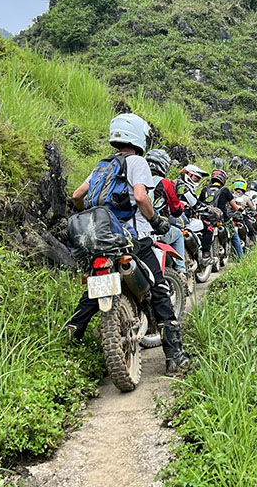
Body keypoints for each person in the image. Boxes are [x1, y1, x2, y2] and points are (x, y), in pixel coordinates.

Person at [64, 113, 190, 373]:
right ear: (139, 136)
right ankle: (175, 356)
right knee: (159, 291)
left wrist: (93, 214)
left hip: (101, 239)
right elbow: (141, 197)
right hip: (134, 238)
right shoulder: (137, 161)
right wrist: (156, 221)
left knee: (93, 292)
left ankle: (69, 338)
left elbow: (77, 195)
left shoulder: (102, 165)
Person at [146, 149, 187, 277]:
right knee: (179, 234)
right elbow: (175, 210)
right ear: (163, 165)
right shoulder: (164, 183)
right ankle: (181, 271)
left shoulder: (136, 179)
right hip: (157, 228)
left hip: (137, 228)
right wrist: (181, 207)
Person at [199, 169, 244, 260]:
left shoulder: (204, 190)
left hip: (206, 219)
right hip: (222, 219)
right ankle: (241, 258)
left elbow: (199, 203)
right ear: (223, 179)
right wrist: (239, 208)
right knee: (234, 236)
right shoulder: (225, 190)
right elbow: (234, 207)